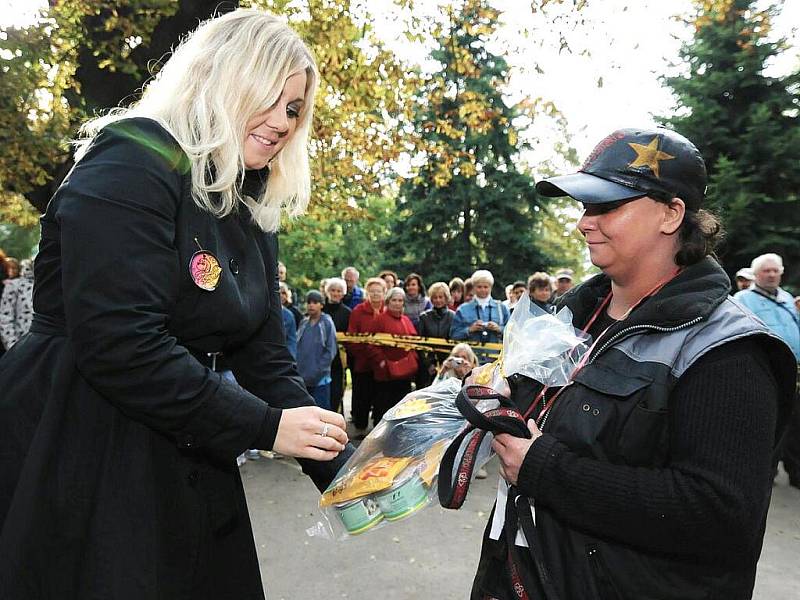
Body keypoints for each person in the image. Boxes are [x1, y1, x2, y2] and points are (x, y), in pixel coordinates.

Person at [0, 11, 353, 599]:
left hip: (185, 438)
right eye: (267, 97)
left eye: (294, 108)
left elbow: (265, 356)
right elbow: (119, 343)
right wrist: (266, 428)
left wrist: (344, 468)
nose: (282, 123)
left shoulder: (247, 200)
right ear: (219, 78)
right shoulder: (131, 158)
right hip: (80, 439)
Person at [469, 127, 797, 599]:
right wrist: (500, 399)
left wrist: (548, 469)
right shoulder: (572, 316)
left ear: (671, 214)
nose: (585, 222)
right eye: (584, 207)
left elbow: (721, 515)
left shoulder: (728, 350)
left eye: (606, 206)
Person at [735, 253, 800, 489]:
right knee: (768, 423)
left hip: (795, 372)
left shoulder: (787, 298)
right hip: (767, 371)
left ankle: (795, 472)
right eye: (766, 271)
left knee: (795, 424)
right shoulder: (743, 299)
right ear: (756, 274)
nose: (772, 275)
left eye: (775, 270)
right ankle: (764, 472)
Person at [368, 287, 418, 424]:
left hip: (404, 372)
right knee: (383, 405)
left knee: (401, 405)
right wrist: (382, 362)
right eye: (394, 300)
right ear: (388, 302)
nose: (397, 303)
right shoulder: (379, 320)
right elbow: (372, 344)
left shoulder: (406, 320)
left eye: (400, 300)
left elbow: (414, 342)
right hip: (385, 374)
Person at [345, 277, 386, 435]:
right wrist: (363, 353)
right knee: (362, 395)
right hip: (363, 362)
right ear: (367, 293)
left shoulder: (387, 310)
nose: (375, 294)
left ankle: (378, 428)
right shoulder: (358, 311)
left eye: (379, 291)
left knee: (381, 397)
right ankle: (360, 427)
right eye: (372, 291)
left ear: (384, 293)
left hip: (383, 364)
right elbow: (352, 337)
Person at [450, 269, 509, 363]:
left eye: (486, 287)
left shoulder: (502, 308)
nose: (483, 290)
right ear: (473, 287)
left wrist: (499, 329)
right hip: (471, 361)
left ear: (491, 287)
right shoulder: (462, 309)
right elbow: (454, 335)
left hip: (497, 361)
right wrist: (469, 330)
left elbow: (513, 333)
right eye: (479, 287)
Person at [296, 291, 338, 411]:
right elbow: (298, 347)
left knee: (321, 411)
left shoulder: (326, 323)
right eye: (309, 302)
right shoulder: (304, 323)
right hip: (302, 377)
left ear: (321, 305)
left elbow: (331, 350)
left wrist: (319, 371)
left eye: (315, 302)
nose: (311, 305)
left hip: (320, 379)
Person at [416, 281, 455, 388]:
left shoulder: (453, 316)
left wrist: (447, 363)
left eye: (440, 297)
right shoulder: (424, 317)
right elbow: (420, 345)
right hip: (428, 365)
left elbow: (455, 342)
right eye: (435, 297)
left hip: (448, 363)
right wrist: (428, 364)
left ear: (446, 298)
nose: (438, 300)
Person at [322, 277, 351, 415]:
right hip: (320, 358)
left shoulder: (347, 312)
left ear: (343, 293)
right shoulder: (321, 310)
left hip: (339, 359)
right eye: (333, 290)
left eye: (339, 291)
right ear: (327, 292)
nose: (335, 293)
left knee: (337, 391)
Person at [0, 258, 34, 350]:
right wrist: (13, 349)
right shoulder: (13, 285)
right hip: (20, 347)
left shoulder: (44, 285)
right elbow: (5, 318)